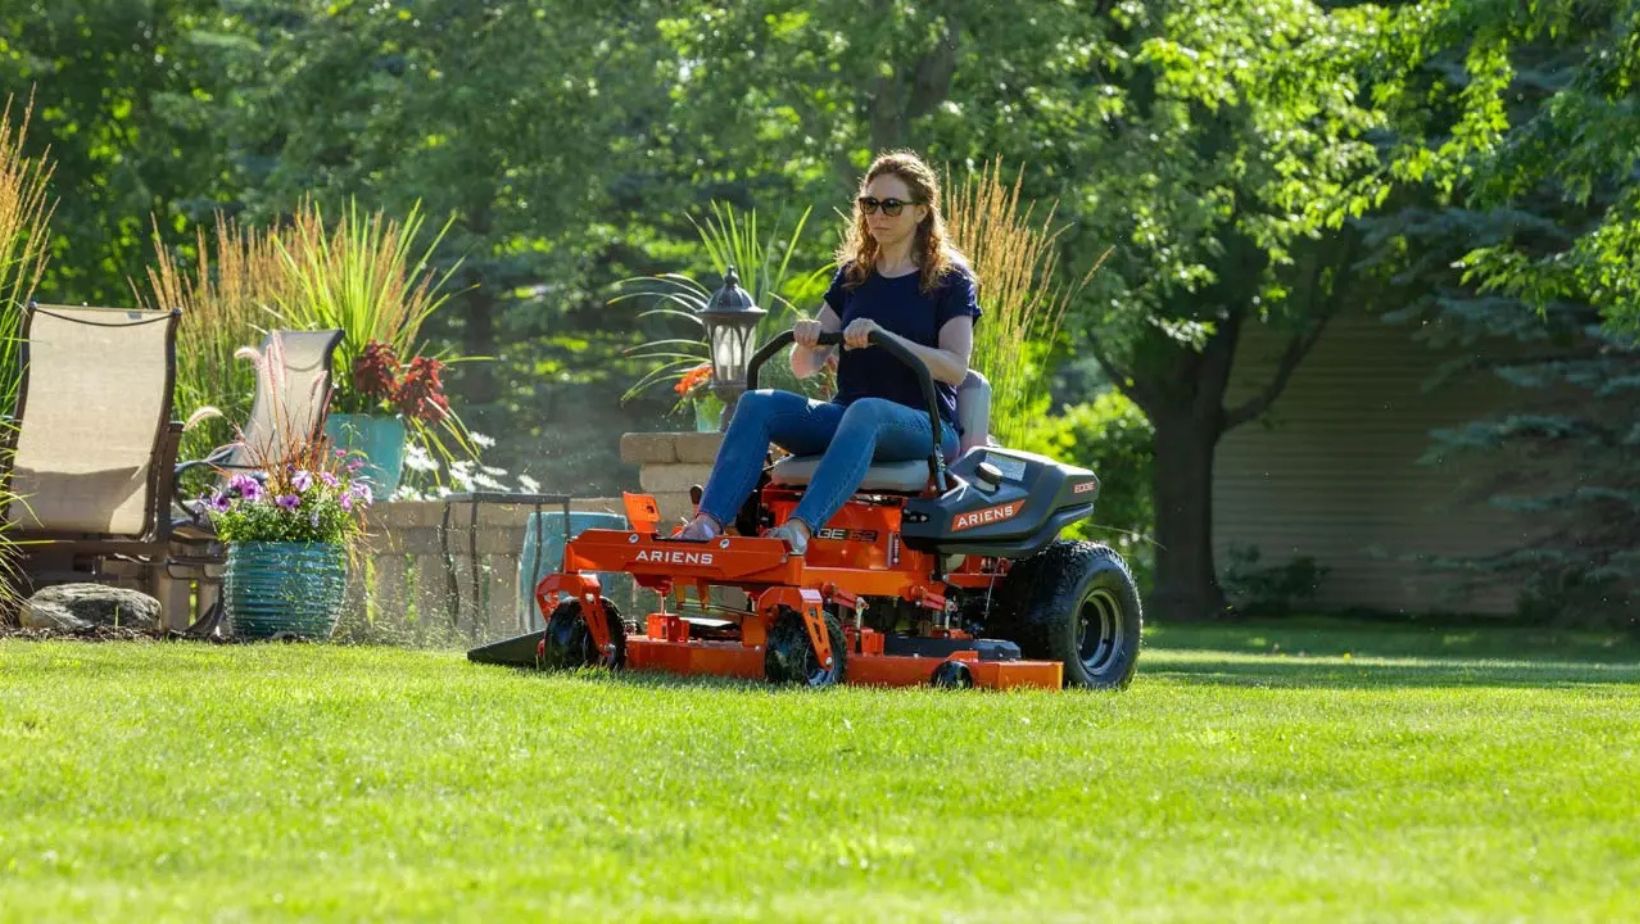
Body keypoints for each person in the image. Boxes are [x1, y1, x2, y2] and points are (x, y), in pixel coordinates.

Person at [676, 150, 981, 554]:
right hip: (851, 417)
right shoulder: (854, 276)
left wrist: (882, 335)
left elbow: (956, 370)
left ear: (921, 212)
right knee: (757, 403)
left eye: (892, 205)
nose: (878, 215)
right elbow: (804, 368)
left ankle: (800, 529)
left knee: (867, 409)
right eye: (869, 204)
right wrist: (811, 338)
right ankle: (707, 523)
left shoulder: (951, 280)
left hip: (927, 428)